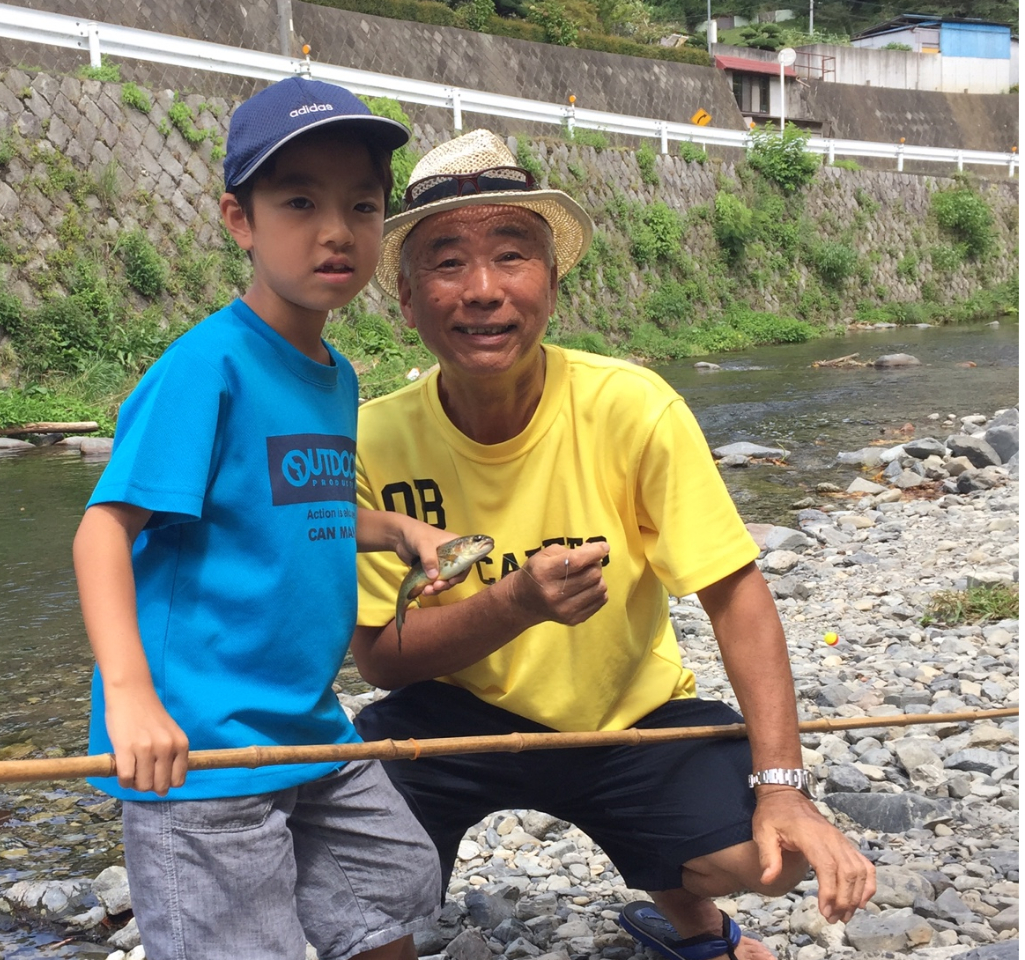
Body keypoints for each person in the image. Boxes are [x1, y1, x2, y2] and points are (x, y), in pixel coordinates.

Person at [351, 129, 876, 960]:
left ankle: (692, 918)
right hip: (448, 719)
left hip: (627, 715)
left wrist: (784, 788)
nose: (483, 290)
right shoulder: (369, 441)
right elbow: (380, 659)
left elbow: (736, 598)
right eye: (448, 264)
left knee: (774, 859)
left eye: (512, 257)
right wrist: (516, 603)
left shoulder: (634, 407)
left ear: (552, 284)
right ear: (409, 302)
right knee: (345, 839)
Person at [73, 77, 462, 960]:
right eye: (299, 203)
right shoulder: (205, 367)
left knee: (395, 881)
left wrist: (400, 531)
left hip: (304, 722)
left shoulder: (334, 374)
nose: (337, 231)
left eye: (362, 206)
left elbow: (302, 505)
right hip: (202, 740)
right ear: (238, 220)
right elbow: (102, 531)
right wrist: (131, 699)